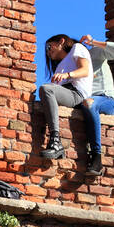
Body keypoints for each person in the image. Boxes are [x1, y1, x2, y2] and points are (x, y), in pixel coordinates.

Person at [37, 33, 93, 165]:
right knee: (46, 90)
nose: (48, 52)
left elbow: (85, 70)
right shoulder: (60, 65)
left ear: (61, 42)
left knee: (46, 89)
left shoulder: (77, 48)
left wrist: (67, 75)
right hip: (67, 93)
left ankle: (56, 142)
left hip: (77, 93)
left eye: (49, 47)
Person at [78, 33, 114, 177]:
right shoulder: (70, 67)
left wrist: (94, 42)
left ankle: (97, 157)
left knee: (89, 103)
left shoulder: (95, 53)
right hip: (86, 103)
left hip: (106, 101)